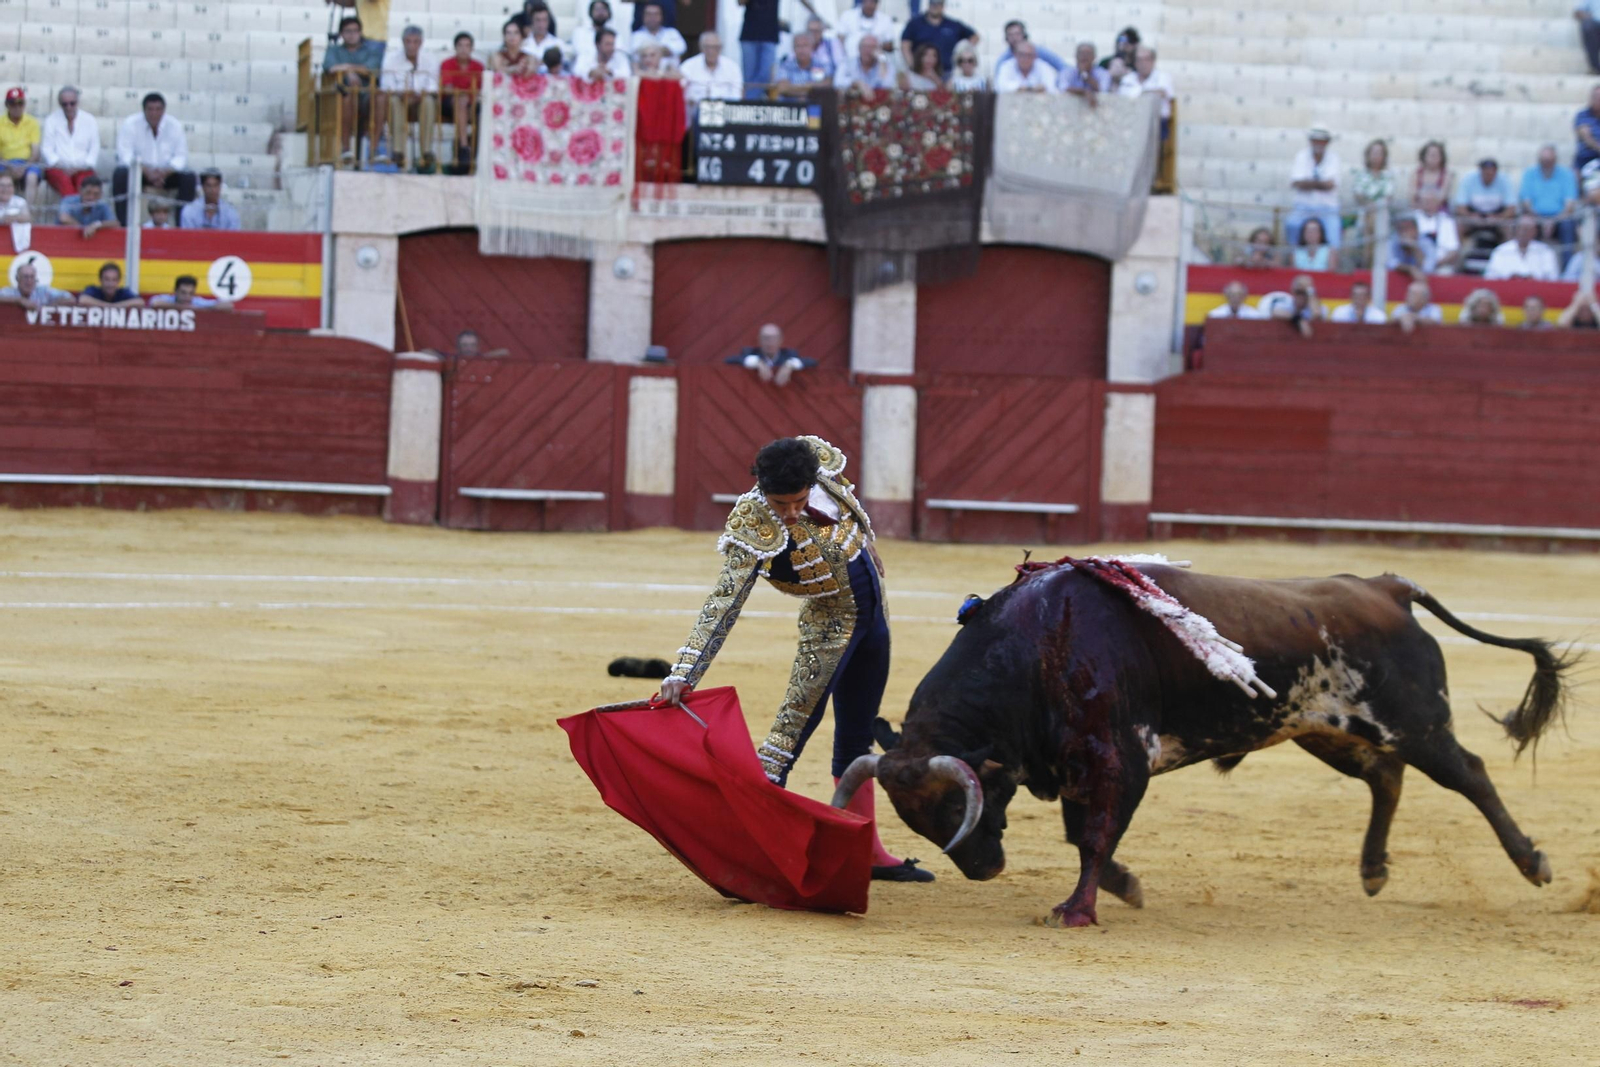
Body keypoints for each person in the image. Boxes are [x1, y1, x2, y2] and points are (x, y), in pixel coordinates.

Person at [658, 436, 928, 883]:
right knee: (784, 742)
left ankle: (868, 851)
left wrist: (863, 539)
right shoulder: (752, 523)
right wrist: (685, 671)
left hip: (875, 620)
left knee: (857, 740)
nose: (789, 512)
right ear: (762, 490)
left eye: (798, 501)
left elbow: (846, 499)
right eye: (779, 503)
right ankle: (749, 853)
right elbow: (724, 602)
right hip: (828, 629)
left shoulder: (819, 467)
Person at [323, 18, 386, 163]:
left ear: (360, 33)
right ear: (341, 34)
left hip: (366, 94)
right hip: (342, 93)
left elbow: (370, 69)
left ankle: (374, 149)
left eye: (355, 31)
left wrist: (346, 68)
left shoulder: (371, 51)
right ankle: (345, 149)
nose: (352, 35)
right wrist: (350, 72)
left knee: (381, 98)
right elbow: (330, 67)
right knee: (347, 97)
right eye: (348, 31)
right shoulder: (333, 50)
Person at [378, 25, 440, 169]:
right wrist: (402, 93)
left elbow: (433, 84)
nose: (411, 45)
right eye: (408, 41)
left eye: (415, 41)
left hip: (421, 98)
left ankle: (426, 151)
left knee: (429, 102)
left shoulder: (430, 58)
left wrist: (419, 94)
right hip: (399, 97)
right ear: (403, 41)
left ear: (421, 42)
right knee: (394, 101)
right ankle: (398, 151)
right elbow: (386, 84)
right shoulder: (391, 58)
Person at [1287, 125, 1342, 249]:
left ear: (1327, 142)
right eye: (1315, 140)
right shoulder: (1301, 156)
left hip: (1327, 209)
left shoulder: (1334, 158)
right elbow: (1296, 183)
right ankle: (1293, 262)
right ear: (1310, 141)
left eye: (1322, 140)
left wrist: (1308, 183)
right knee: (1292, 225)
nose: (1318, 143)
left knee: (1334, 232)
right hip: (1303, 208)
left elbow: (1331, 185)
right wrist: (1321, 184)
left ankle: (1332, 265)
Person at [40, 86, 100, 198]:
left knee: (86, 186)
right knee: (65, 184)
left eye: (72, 103)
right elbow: (47, 149)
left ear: (77, 102)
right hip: (58, 168)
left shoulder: (89, 120)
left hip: (83, 168)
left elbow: (94, 148)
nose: (69, 107)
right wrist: (62, 166)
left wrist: (82, 166)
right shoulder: (51, 120)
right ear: (60, 104)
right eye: (65, 104)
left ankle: (74, 212)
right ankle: (74, 212)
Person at [439, 33, 485, 174]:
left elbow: (481, 91)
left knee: (481, 115)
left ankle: (473, 160)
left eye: (467, 45)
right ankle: (464, 147)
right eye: (460, 45)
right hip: (449, 104)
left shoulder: (479, 66)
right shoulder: (447, 64)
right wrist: (466, 95)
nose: (464, 49)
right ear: (455, 47)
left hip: (472, 104)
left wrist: (469, 97)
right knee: (461, 100)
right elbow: (448, 88)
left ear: (472, 48)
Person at [1520, 144, 1578, 256]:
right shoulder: (1529, 173)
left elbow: (1569, 205)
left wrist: (1553, 221)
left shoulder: (1566, 174)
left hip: (1560, 218)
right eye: (1543, 160)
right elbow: (1526, 203)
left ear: (1555, 160)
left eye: (1549, 160)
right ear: (1539, 160)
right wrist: (1541, 220)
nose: (1546, 163)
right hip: (1536, 217)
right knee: (1526, 224)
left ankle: (1567, 269)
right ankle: (1527, 265)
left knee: (1568, 225)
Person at [1454, 157, 1516, 251]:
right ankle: (1458, 255)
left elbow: (1511, 209)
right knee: (1458, 225)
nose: (1488, 174)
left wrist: (1498, 218)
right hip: (1473, 216)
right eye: (1485, 172)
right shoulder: (1468, 180)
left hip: (1497, 217)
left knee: (1509, 228)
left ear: (1496, 172)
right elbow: (1460, 207)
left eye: (1491, 172)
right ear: (1480, 171)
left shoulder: (1505, 180)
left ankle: (1507, 255)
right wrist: (1471, 216)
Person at [899, 0, 977, 75]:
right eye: (933, 3)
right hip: (920, 73)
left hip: (946, 73)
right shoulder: (914, 24)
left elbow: (974, 37)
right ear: (929, 4)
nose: (935, 6)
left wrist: (963, 51)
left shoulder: (953, 25)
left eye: (938, 3)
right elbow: (905, 46)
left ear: (943, 5)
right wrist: (912, 66)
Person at [681, 32, 743, 122]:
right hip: (695, 112)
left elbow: (737, 94)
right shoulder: (688, 66)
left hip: (725, 113)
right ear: (701, 48)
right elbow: (682, 90)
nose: (711, 51)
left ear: (720, 48)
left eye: (715, 47)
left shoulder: (732, 67)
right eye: (707, 47)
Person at [725, 324, 814, 385]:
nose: (770, 342)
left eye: (774, 338)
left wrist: (789, 365)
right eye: (766, 338)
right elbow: (729, 360)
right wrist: (758, 362)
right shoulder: (750, 352)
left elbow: (812, 362)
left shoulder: (789, 355)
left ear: (780, 340)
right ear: (759, 340)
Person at [1484, 215, 1560, 280]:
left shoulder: (1545, 251)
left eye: (1527, 229)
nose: (1523, 232)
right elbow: (1490, 276)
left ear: (1535, 231)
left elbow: (1553, 277)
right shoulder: (1501, 250)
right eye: (1521, 228)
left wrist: (1533, 278)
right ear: (1515, 230)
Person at [1, 87, 42, 203]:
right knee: (3, 176)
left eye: (20, 103)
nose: (17, 107)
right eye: (12, 103)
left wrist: (24, 167)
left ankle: (28, 214)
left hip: (27, 163)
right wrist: (9, 166)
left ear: (24, 104)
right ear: (7, 105)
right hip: (5, 163)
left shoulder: (32, 123)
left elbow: (35, 151)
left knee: (32, 177)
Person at [1118, 45, 1174, 128]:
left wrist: (1139, 94)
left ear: (1153, 61)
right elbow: (1121, 98)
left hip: (1157, 122)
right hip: (1131, 120)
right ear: (1135, 63)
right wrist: (1146, 93)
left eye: (1146, 59)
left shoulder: (1163, 77)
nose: (1143, 63)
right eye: (1139, 60)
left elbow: (1161, 93)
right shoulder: (1127, 79)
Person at [993, 20, 1065, 76]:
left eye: (1017, 34)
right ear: (1006, 39)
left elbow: (1063, 67)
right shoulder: (1003, 60)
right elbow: (1000, 83)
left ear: (1025, 35)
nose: (1014, 38)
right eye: (1011, 35)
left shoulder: (1040, 51)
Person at [739, 0, 781, 97]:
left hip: (770, 35)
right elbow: (740, 2)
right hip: (749, 35)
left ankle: (750, 102)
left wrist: (816, 14)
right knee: (749, 77)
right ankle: (752, 103)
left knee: (766, 75)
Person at [1413, 191, 1461, 273]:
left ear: (1438, 203)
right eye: (1425, 201)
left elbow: (1453, 250)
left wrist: (1433, 264)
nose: (1428, 204)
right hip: (1415, 264)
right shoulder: (1412, 219)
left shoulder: (1447, 221)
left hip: (1440, 265)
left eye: (1431, 201)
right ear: (1420, 202)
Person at [1267, 273, 1324, 338]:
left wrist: (1310, 291)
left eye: (1304, 293)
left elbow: (1317, 315)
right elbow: (1275, 312)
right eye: (1298, 292)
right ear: (1293, 292)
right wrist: (1298, 320)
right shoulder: (1285, 302)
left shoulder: (1314, 306)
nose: (1301, 296)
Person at [774, 34, 830, 98]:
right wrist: (809, 88)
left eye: (805, 45)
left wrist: (793, 88)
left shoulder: (820, 65)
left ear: (812, 47)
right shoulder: (785, 66)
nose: (801, 50)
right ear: (793, 49)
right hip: (791, 105)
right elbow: (782, 88)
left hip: (814, 105)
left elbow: (826, 85)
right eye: (798, 46)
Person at [631, 2, 686, 66]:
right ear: (643, 16)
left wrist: (650, 51)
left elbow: (681, 48)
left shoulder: (672, 33)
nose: (652, 17)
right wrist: (663, 51)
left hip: (669, 73)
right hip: (644, 73)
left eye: (656, 14)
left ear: (662, 16)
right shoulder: (636, 35)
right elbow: (635, 53)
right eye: (649, 14)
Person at [1387, 212, 1438, 281]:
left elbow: (1428, 268)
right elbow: (1390, 263)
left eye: (1407, 228)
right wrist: (1410, 269)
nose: (1404, 232)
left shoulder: (1426, 243)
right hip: (1396, 281)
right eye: (1401, 229)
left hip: (1421, 284)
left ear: (1416, 229)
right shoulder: (1393, 241)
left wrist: (1414, 248)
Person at [0, 262, 74, 309]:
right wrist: (19, 300)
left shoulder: (43, 291)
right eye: (25, 277)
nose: (29, 281)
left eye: (32, 277)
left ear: (36, 280)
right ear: (17, 279)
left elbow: (70, 298)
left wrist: (48, 307)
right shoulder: (10, 292)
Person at [573, 0, 620, 73]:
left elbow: (617, 55)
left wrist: (607, 70)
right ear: (591, 12)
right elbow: (579, 56)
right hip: (586, 69)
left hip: (610, 70)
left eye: (603, 9)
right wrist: (593, 71)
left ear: (609, 13)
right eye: (597, 9)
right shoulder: (580, 32)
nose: (600, 13)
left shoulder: (615, 34)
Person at [148, 274, 233, 310]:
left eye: (191, 293)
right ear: (175, 291)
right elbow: (154, 303)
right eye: (183, 292)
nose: (187, 297)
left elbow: (227, 305)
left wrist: (199, 309)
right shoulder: (168, 299)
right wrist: (182, 307)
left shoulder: (197, 302)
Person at [1413, 140, 1453, 204]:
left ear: (1442, 157)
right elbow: (1412, 196)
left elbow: (1443, 196)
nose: (1433, 158)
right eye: (1431, 155)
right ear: (1424, 156)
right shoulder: (1416, 174)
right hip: (1419, 208)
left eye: (1437, 155)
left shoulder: (1446, 175)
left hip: (1439, 210)